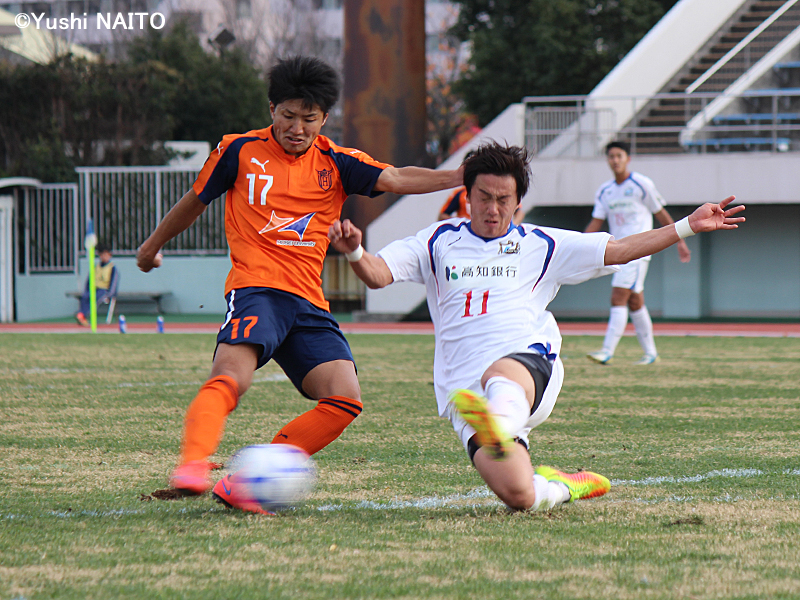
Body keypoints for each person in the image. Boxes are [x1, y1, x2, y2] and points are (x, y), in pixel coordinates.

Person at [328, 142, 744, 512]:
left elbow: (618, 249)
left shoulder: (542, 244)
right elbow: (379, 274)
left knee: (500, 374)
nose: (493, 209)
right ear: (466, 196)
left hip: (528, 364)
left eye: (503, 199)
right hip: (464, 388)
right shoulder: (436, 241)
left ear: (519, 201)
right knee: (518, 496)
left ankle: (500, 424)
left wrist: (687, 225)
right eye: (483, 198)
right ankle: (560, 485)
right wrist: (355, 251)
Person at [135, 56, 462, 514]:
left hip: (309, 303)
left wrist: (461, 176)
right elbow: (194, 201)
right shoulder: (239, 150)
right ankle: (191, 465)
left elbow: (395, 177)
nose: (297, 127)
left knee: (345, 397)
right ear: (272, 110)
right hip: (256, 289)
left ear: (324, 119)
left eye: (308, 119)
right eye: (288, 115)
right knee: (232, 379)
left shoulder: (337, 161)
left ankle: (246, 481)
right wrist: (150, 248)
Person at [585, 141, 692, 365]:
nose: (615, 160)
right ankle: (651, 353)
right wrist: (579, 245)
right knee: (635, 301)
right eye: (611, 156)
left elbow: (660, 213)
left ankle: (606, 351)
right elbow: (596, 222)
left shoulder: (642, 184)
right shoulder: (605, 191)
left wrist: (679, 241)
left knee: (618, 296)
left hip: (638, 250)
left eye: (619, 156)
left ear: (628, 159)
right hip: (618, 250)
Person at [75, 243, 119, 327]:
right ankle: (81, 315)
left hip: (104, 290)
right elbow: (89, 280)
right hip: (94, 289)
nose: (104, 257)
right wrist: (87, 290)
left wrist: (110, 294)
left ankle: (82, 315)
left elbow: (114, 283)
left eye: (106, 254)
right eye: (102, 254)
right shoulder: (96, 267)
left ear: (109, 255)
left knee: (95, 298)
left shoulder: (112, 268)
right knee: (85, 297)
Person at [438, 184, 524, 225]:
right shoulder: (460, 193)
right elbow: (442, 215)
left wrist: (513, 225)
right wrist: (460, 223)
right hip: (467, 235)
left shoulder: (498, 190)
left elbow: (519, 212)